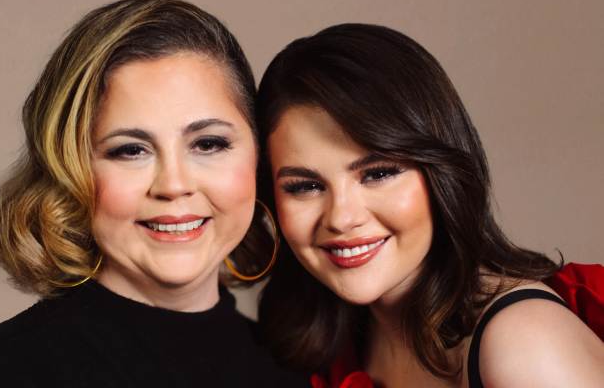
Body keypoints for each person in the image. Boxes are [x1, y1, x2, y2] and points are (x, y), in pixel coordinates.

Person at [0, 0, 307, 387]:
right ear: (70, 169)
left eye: (208, 144)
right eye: (130, 150)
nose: (174, 185)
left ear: (259, 157)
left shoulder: (296, 375)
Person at [256, 23, 604, 387]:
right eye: (306, 186)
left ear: (441, 173)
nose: (342, 218)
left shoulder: (524, 345)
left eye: (378, 173)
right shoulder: (339, 333)